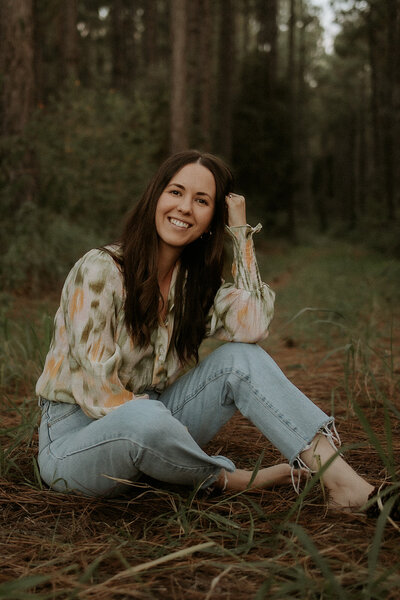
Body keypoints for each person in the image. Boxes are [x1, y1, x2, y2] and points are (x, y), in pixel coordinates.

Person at [36, 150, 392, 515]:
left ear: (210, 223)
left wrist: (240, 233)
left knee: (242, 358)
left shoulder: (194, 287)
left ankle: (344, 485)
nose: (185, 207)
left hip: (154, 422)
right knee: (146, 420)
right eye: (175, 192)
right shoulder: (100, 269)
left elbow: (253, 325)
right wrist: (168, 431)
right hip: (75, 441)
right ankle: (223, 478)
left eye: (201, 200)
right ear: (155, 198)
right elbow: (98, 394)